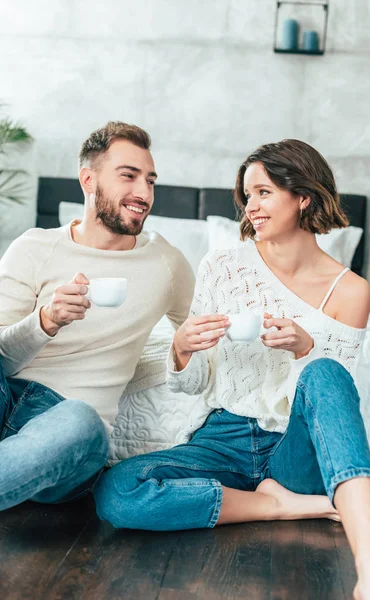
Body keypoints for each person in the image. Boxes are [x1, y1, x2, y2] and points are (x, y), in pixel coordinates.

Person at [94, 139, 370, 600]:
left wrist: (306, 348)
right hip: (224, 439)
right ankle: (276, 506)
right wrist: (180, 349)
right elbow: (196, 383)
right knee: (117, 492)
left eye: (263, 193)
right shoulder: (223, 266)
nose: (250, 207)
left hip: (295, 452)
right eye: (247, 195)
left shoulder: (351, 290)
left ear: (303, 197)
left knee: (326, 372)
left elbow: (333, 399)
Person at [0, 121, 195, 511]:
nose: (144, 193)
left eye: (151, 181)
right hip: (9, 398)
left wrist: (185, 352)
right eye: (129, 176)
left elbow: (202, 341)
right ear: (88, 180)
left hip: (71, 431)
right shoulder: (34, 247)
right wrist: (46, 322)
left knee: (79, 418)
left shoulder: (165, 263)